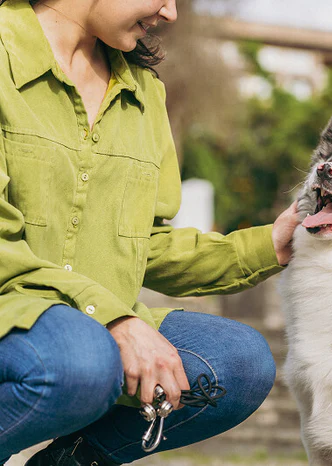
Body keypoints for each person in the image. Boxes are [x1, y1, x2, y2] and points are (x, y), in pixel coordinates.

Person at [0, 0, 301, 464]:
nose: (171, 12)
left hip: (92, 336)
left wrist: (271, 245)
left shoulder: (144, 93)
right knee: (83, 362)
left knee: (240, 362)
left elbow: (146, 245)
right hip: (21, 317)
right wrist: (112, 320)